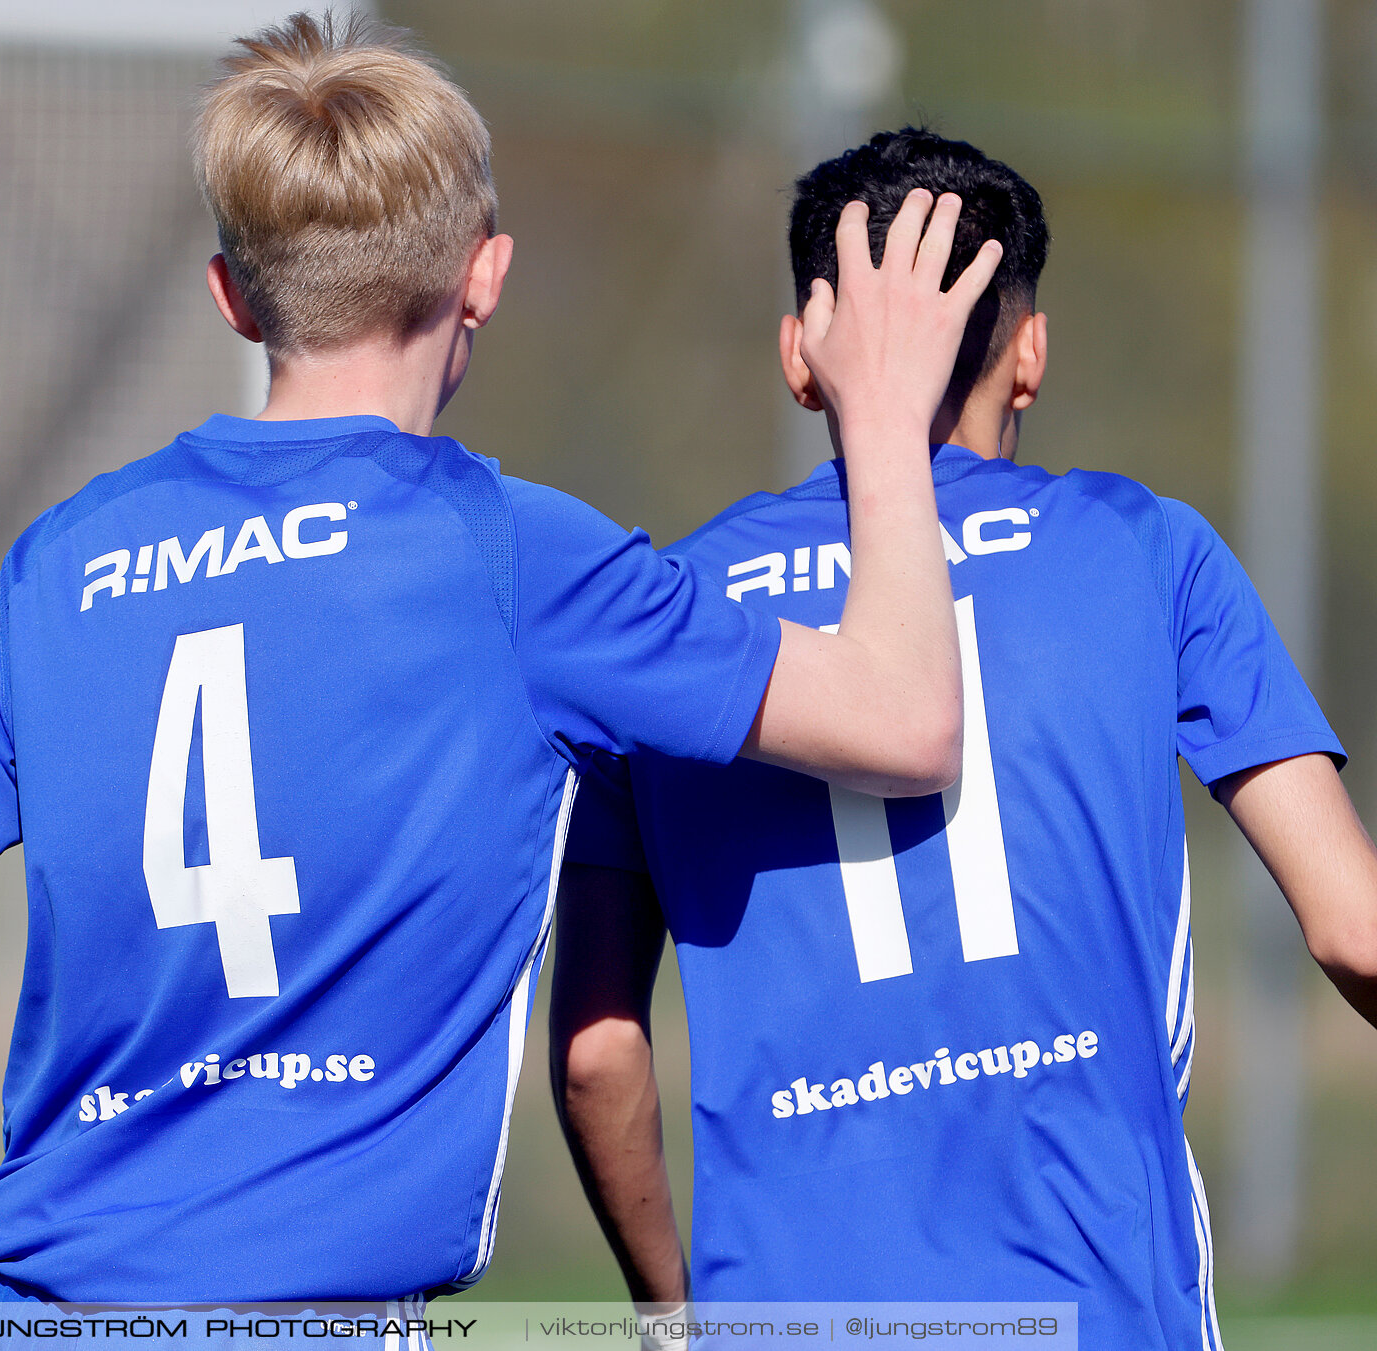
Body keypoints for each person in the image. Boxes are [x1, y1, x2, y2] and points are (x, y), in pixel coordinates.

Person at [0, 15, 1000, 1345]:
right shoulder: (513, 553)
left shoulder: (59, 561)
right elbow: (908, 719)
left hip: (19, 1314)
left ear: (232, 294)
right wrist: (889, 422)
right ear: (484, 277)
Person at [552, 127, 1377, 1350]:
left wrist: (675, 1311)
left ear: (802, 358)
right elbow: (1355, 929)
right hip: (1104, 1309)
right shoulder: (1149, 551)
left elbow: (597, 1053)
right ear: (1030, 352)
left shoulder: (668, 614)